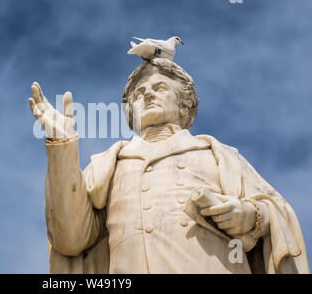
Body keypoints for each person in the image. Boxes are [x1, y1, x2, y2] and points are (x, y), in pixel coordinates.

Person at [28, 57, 309, 273]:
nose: (148, 95)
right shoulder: (109, 165)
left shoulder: (216, 154)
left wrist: (250, 216)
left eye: (160, 87)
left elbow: (278, 212)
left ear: (184, 104)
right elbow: (70, 240)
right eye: (139, 93)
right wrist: (63, 148)